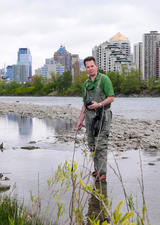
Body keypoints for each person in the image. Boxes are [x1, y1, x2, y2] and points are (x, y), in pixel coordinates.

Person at [76, 56, 114, 182]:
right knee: (92, 143)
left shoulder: (104, 79)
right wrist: (80, 120)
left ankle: (102, 174)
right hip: (89, 117)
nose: (90, 69)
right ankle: (97, 169)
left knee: (101, 144)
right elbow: (84, 104)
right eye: (88, 67)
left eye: (92, 66)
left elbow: (111, 97)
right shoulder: (86, 84)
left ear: (96, 66)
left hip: (103, 115)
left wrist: (99, 104)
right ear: (85, 68)